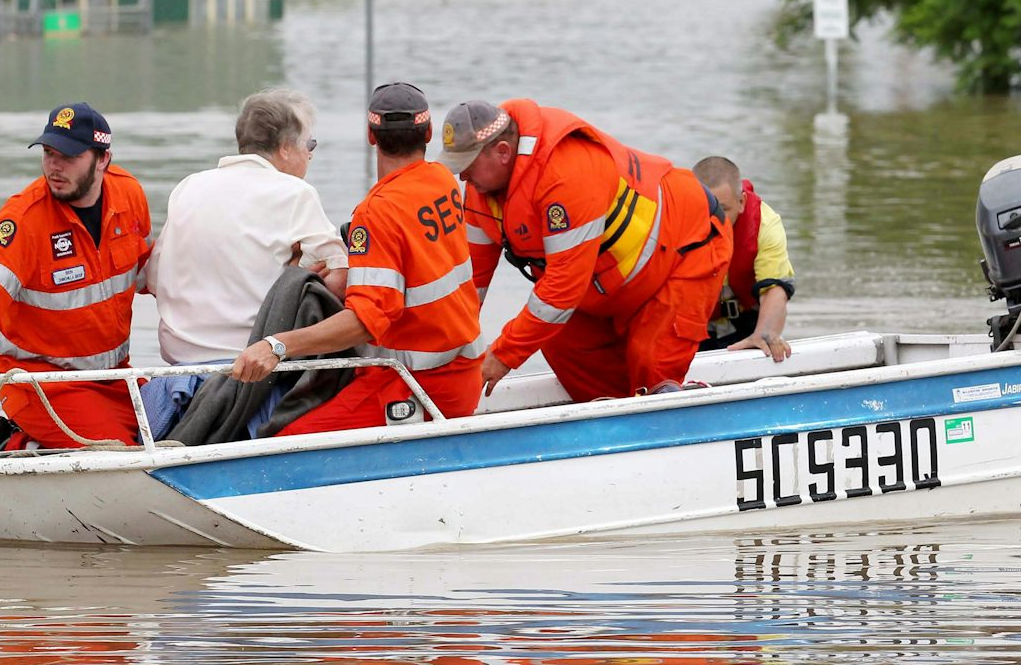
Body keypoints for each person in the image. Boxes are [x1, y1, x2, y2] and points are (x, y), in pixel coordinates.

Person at [229, 82, 485, 431]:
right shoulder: (442, 182)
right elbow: (412, 266)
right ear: (427, 132)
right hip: (464, 370)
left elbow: (367, 321)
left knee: (285, 439)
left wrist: (276, 345)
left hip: (415, 385)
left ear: (370, 135)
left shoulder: (377, 213)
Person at [444, 98, 732, 402]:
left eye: (468, 167)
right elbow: (469, 284)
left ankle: (664, 417)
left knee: (652, 364)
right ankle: (614, 429)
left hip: (685, 248)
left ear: (502, 152)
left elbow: (561, 291)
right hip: (607, 285)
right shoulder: (480, 192)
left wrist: (501, 357)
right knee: (556, 342)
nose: (462, 178)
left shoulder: (567, 175)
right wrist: (450, 359)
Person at [0, 102, 153, 449]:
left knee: (177, 428)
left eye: (68, 156)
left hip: (112, 377)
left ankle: (32, 443)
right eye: (49, 153)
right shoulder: (25, 220)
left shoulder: (129, 196)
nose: (54, 165)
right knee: (115, 451)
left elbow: (150, 273)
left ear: (103, 159)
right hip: (38, 383)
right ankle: (15, 445)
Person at [140, 89, 348, 434]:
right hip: (253, 382)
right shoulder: (294, 193)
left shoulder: (189, 187)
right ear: (285, 148)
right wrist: (296, 283)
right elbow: (340, 280)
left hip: (175, 383)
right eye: (309, 146)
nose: (310, 157)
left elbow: (154, 278)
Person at [692, 156, 796, 363]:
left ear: (741, 202)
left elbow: (774, 290)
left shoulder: (765, 225)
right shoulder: (673, 219)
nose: (712, 220)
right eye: (703, 209)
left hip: (746, 321)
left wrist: (764, 335)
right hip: (692, 323)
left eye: (722, 209)